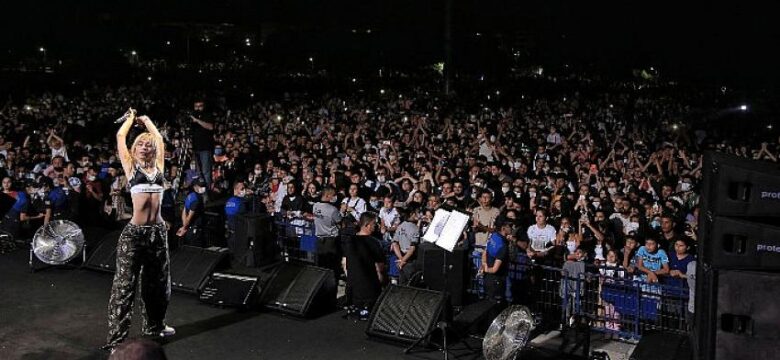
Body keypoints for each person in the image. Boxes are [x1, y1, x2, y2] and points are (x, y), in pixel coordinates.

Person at [104, 109, 174, 351]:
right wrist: (131, 120)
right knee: (124, 287)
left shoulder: (159, 168)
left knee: (159, 283)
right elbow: (120, 137)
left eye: (148, 144)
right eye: (141, 144)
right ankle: (116, 341)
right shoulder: (132, 169)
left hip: (158, 233)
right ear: (134, 151)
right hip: (135, 235)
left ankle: (155, 326)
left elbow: (160, 140)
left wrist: (149, 122)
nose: (145, 146)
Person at [342, 212, 386, 320]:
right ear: (368, 225)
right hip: (369, 288)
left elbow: (344, 262)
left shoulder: (349, 241)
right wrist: (381, 281)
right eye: (374, 224)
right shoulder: (375, 243)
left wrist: (350, 277)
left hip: (353, 287)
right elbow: (379, 267)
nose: (376, 227)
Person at [310, 186, 342, 278]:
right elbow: (340, 222)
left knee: (320, 265)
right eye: (333, 195)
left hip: (319, 240)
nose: (335, 197)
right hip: (331, 240)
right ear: (327, 196)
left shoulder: (315, 206)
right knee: (332, 266)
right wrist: (342, 212)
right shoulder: (332, 209)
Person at [481, 220, 511, 302]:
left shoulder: (493, 235)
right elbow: (495, 269)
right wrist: (486, 269)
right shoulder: (503, 246)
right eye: (510, 226)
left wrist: (484, 266)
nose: (512, 228)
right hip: (496, 282)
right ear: (503, 228)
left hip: (487, 278)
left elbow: (484, 252)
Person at [189, 100, 215, 194]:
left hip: (205, 148)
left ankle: (206, 193)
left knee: (206, 171)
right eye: (196, 106)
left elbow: (210, 127)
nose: (198, 108)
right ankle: (198, 191)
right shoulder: (192, 117)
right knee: (197, 171)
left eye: (200, 106)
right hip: (195, 147)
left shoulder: (208, 115)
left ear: (204, 106)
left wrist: (197, 121)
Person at [390, 208, 419, 285]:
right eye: (418, 213)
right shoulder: (415, 228)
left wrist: (400, 258)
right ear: (412, 214)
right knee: (412, 284)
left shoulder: (400, 226)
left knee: (402, 284)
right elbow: (412, 247)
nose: (420, 215)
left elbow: (394, 243)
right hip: (410, 260)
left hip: (400, 259)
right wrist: (403, 260)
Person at [177, 178, 207, 247]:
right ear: (195, 187)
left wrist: (184, 226)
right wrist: (184, 226)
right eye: (200, 186)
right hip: (195, 232)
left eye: (203, 186)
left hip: (190, 230)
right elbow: (187, 219)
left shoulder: (190, 195)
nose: (203, 188)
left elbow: (184, 209)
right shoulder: (196, 199)